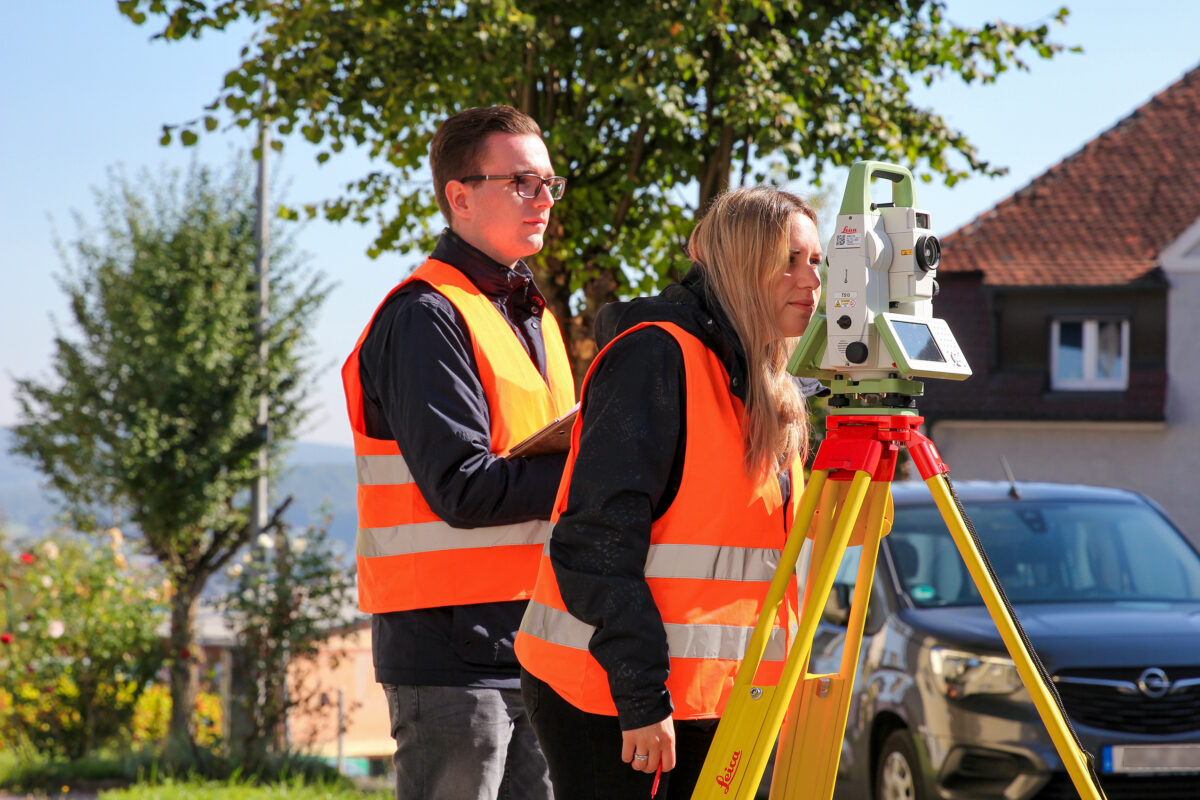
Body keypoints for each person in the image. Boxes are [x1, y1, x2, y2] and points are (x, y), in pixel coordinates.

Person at [515, 186, 827, 799]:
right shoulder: (656, 357)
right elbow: (596, 543)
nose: (809, 279)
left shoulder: (768, 385)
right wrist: (641, 698)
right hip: (614, 695)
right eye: (789, 260)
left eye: (816, 262)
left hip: (719, 699)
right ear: (741, 262)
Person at [342, 105, 574, 800]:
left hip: (534, 642)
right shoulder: (424, 316)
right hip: (449, 655)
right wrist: (593, 470)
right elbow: (464, 489)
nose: (542, 201)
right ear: (460, 196)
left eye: (549, 184)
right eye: (522, 183)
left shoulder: (531, 313)